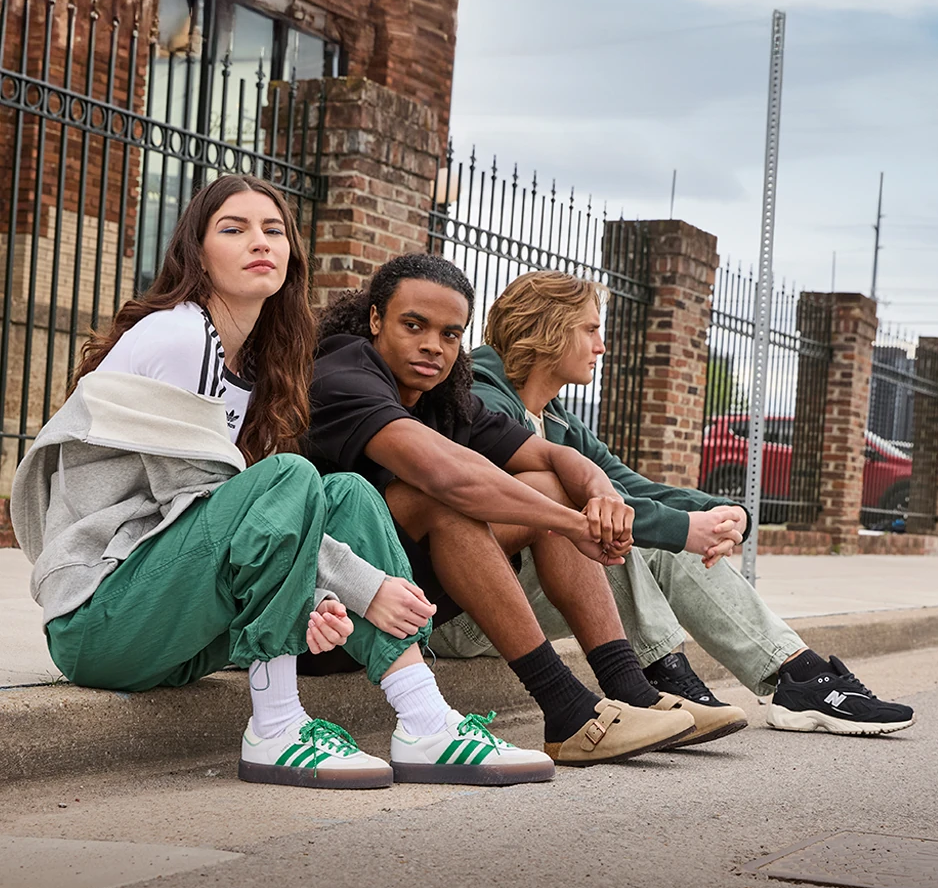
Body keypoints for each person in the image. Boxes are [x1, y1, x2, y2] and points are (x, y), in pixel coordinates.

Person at [11, 177, 553, 789]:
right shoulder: (178, 335)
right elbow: (213, 504)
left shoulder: (255, 356)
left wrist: (313, 596)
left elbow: (239, 531)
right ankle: (275, 728)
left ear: (292, 252)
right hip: (102, 620)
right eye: (233, 229)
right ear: (198, 251)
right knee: (291, 476)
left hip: (175, 619)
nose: (258, 242)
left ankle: (424, 718)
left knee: (345, 491)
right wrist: (359, 584)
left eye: (273, 230)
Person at [305, 253, 749, 765]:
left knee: (546, 482)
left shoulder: (443, 394)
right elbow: (447, 475)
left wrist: (599, 491)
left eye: (451, 334)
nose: (434, 345)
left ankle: (629, 689)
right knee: (444, 500)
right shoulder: (341, 373)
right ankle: (565, 707)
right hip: (325, 613)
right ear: (376, 319)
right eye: (413, 325)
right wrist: (575, 522)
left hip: (398, 601)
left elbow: (554, 456)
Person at [448, 269, 915, 739]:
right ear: (548, 328)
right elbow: (554, 509)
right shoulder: (483, 400)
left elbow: (630, 485)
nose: (602, 345)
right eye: (590, 329)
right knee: (624, 537)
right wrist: (682, 530)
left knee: (651, 533)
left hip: (522, 600)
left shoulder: (556, 418)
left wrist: (721, 511)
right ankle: (662, 677)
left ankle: (795, 674)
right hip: (469, 612)